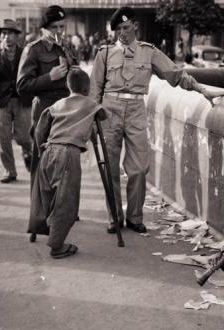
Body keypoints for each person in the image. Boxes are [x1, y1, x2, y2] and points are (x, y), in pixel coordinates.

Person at [89, 6, 224, 234]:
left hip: (136, 111)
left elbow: (176, 74)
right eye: (118, 30)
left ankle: (134, 217)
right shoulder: (104, 53)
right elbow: (94, 91)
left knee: (139, 168)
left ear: (136, 26)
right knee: (109, 169)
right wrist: (92, 119)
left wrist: (202, 89)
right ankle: (115, 216)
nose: (121, 33)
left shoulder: (149, 52)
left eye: (125, 27)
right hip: (109, 112)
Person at [29, 68, 104, 258]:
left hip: (49, 149)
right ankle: (57, 245)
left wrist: (41, 149)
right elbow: (104, 116)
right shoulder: (90, 104)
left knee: (45, 194)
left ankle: (43, 227)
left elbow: (39, 130)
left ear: (67, 86)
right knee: (66, 201)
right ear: (87, 88)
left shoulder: (57, 104)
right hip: (69, 153)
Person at [17, 5, 79, 186]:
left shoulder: (67, 47)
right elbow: (22, 86)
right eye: (54, 27)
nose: (59, 31)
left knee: (66, 163)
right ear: (44, 28)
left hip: (67, 112)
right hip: (45, 111)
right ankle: (40, 211)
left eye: (62, 26)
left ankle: (63, 210)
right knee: (42, 163)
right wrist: (49, 77)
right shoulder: (34, 49)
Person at [0, 19, 33, 184]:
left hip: (22, 100)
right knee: (3, 139)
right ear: (1, 37)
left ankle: (28, 154)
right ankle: (10, 171)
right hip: (3, 102)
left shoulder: (25, 53)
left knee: (24, 137)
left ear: (16, 36)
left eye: (11, 34)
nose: (8, 37)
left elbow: (31, 75)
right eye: (4, 34)